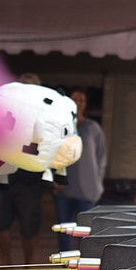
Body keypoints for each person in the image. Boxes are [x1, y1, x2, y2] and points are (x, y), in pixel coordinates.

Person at [0, 73, 48, 265]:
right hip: (2, 178)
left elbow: (47, 146)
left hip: (30, 180)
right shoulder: (3, 111)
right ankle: (4, 265)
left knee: (30, 227)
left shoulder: (44, 116)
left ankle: (29, 266)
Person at [53, 87, 107, 251]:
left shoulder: (92, 128)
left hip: (88, 189)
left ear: (85, 104)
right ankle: (64, 264)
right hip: (63, 188)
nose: (77, 103)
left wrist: (98, 181)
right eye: (74, 99)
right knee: (64, 229)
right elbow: (50, 153)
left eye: (81, 100)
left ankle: (85, 260)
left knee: (85, 230)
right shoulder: (59, 126)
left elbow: (101, 156)